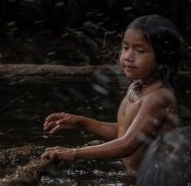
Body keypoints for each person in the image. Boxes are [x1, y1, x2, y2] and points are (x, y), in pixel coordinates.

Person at [42, 15, 181, 173]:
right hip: (139, 180)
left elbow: (127, 145)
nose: (128, 56)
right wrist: (82, 122)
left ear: (163, 57)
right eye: (125, 47)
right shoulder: (136, 86)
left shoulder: (157, 98)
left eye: (140, 50)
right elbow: (123, 131)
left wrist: (75, 153)